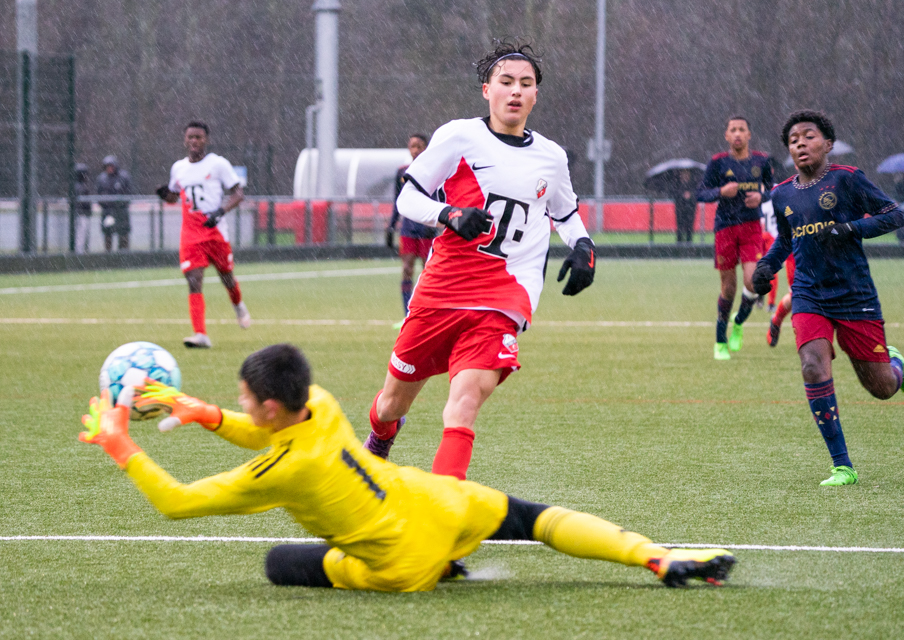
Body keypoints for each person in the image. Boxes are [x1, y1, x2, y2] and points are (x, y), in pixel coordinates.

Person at [78, 343, 736, 592]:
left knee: (281, 565)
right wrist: (206, 414)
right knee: (538, 518)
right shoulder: (323, 405)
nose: (242, 407)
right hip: (437, 502)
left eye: (248, 400)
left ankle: (442, 567)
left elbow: (177, 502)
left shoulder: (283, 473)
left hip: (400, 564)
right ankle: (655, 557)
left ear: (275, 406)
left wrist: (119, 443)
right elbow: (258, 431)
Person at [362, 40, 596, 480]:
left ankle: (445, 517)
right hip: (442, 289)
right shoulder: (458, 136)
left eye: (525, 84)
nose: (515, 91)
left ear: (535, 96)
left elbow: (565, 213)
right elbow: (409, 198)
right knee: (392, 402)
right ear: (486, 90)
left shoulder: (551, 156)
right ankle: (378, 442)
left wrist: (584, 246)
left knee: (464, 402)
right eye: (505, 82)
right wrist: (448, 214)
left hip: (504, 297)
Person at [752, 110, 904, 486]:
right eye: (793, 140)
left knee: (882, 388)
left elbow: (893, 214)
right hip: (809, 293)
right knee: (813, 366)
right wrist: (766, 267)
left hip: (854, 294)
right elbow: (786, 241)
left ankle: (896, 363)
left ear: (828, 144)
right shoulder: (781, 192)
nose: (800, 143)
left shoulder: (848, 179)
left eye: (808, 136)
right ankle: (842, 466)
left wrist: (851, 227)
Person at [157, 121, 250, 349]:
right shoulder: (178, 168)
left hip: (214, 231)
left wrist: (221, 212)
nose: (194, 141)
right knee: (194, 280)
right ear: (185, 140)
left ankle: (238, 305)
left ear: (206, 140)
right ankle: (200, 334)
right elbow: (174, 197)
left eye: (199, 137)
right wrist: (164, 195)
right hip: (191, 232)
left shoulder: (217, 164)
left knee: (226, 277)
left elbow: (238, 194)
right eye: (190, 137)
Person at [697, 117, 774, 360]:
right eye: (733, 130)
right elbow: (701, 193)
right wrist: (721, 192)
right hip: (725, 228)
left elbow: (775, 190)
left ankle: (738, 322)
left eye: (742, 129)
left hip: (751, 227)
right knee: (728, 289)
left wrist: (761, 197)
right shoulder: (718, 163)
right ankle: (720, 340)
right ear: (726, 136)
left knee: (753, 283)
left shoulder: (762, 161)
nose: (738, 133)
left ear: (749, 134)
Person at [386, 133, 435, 327]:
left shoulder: (433, 170)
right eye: (412, 146)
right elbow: (398, 202)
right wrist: (391, 227)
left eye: (419, 146)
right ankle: (408, 314)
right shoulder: (402, 172)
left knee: (429, 273)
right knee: (407, 269)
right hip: (408, 229)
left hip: (426, 229)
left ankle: (427, 313)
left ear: (426, 148)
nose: (415, 150)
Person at [96, 155, 133, 252]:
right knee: (108, 234)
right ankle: (108, 258)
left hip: (121, 211)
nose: (109, 169)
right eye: (107, 166)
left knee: (123, 234)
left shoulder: (123, 177)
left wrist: (119, 204)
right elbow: (99, 195)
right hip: (107, 212)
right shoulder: (102, 179)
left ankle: (123, 256)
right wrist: (107, 206)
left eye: (111, 166)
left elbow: (129, 194)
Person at [673, 169, 697, 243]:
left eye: (687, 174)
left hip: (690, 208)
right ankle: (679, 242)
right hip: (680, 208)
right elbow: (674, 194)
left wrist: (691, 195)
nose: (685, 176)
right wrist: (682, 195)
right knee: (680, 226)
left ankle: (689, 242)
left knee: (689, 226)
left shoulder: (693, 184)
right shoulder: (677, 184)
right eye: (683, 174)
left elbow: (697, 193)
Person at [73, 163, 93, 254]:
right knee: (80, 239)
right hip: (81, 215)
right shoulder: (79, 186)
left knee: (81, 238)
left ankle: (81, 255)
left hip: (82, 215)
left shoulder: (77, 185)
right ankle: (79, 257)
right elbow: (84, 203)